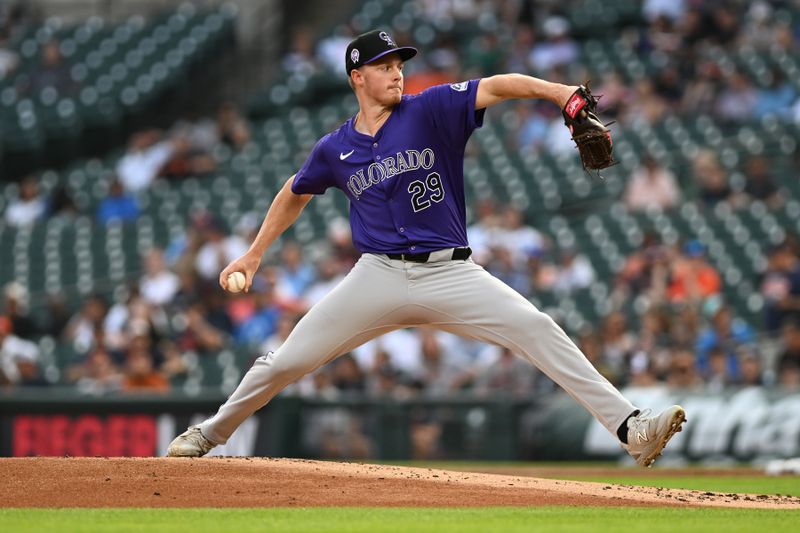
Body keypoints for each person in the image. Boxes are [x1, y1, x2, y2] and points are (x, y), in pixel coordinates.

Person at [168, 30, 685, 466]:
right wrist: (255, 253)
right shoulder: (335, 147)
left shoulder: (430, 108)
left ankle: (630, 428)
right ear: (357, 78)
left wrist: (559, 93)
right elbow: (294, 191)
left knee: (537, 328)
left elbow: (500, 86)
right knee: (285, 362)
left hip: (451, 273)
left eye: (398, 64)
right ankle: (208, 435)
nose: (396, 73)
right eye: (383, 65)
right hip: (377, 277)